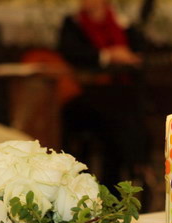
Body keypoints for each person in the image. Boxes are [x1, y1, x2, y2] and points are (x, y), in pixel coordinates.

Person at [57, 0, 153, 194]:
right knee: (122, 112)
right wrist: (108, 56)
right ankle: (139, 166)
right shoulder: (72, 24)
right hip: (84, 96)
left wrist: (129, 57)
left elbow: (139, 54)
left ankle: (118, 183)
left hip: (117, 101)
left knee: (122, 112)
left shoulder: (122, 23)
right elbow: (71, 53)